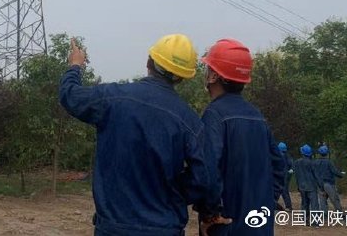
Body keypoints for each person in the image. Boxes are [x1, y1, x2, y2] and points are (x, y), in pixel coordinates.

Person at [59, 35, 224, 236]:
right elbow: (204, 177)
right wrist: (173, 193)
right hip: (164, 229)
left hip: (113, 229)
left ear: (149, 62)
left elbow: (71, 96)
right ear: (181, 78)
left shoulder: (112, 98)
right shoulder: (189, 121)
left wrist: (75, 66)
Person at [196, 38, 285, 235]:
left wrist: (210, 213)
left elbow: (208, 170)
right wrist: (265, 204)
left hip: (226, 225)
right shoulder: (257, 116)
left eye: (208, 68)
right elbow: (279, 166)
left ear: (213, 76)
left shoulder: (214, 115)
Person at [293, 144, 320, 226]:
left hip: (302, 186)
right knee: (314, 204)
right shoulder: (312, 163)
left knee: (304, 204)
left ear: (302, 153)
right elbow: (316, 175)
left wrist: (298, 185)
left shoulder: (297, 162)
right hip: (311, 186)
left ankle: (304, 220)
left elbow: (296, 175)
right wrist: (321, 186)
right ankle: (315, 222)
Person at [315, 144, 344, 216]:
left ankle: (324, 215)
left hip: (320, 184)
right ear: (327, 153)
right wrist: (341, 175)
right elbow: (334, 171)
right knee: (335, 199)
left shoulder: (316, 162)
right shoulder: (329, 162)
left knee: (323, 200)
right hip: (329, 184)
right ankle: (340, 214)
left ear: (319, 153)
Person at [277, 142, 294, 211]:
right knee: (284, 191)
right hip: (285, 176)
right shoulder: (287, 156)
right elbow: (291, 165)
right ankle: (288, 206)